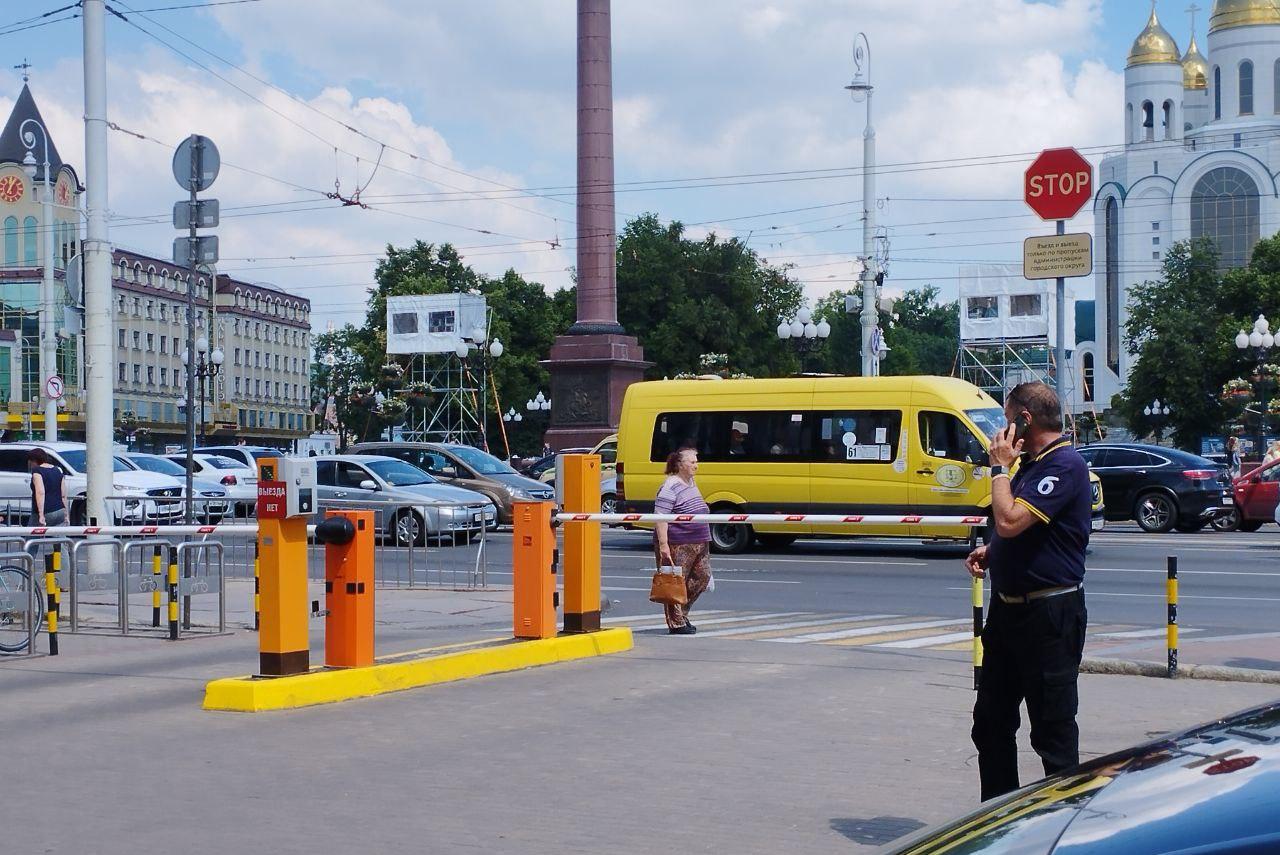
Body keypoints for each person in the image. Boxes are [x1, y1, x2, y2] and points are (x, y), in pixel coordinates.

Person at [965, 382, 1091, 801]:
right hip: (1009, 613)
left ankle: (1061, 827)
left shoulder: (1065, 464)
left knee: (1052, 731)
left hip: (1050, 615)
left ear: (1025, 419)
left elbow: (1011, 521)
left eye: (1006, 418)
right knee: (991, 723)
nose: (1003, 430)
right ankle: (1000, 821)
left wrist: (999, 469)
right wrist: (994, 552)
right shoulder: (1033, 465)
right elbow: (1018, 533)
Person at [653, 447, 712, 635]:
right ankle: (676, 622)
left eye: (696, 461)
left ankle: (683, 612)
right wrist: (664, 546)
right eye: (692, 462)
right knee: (675, 582)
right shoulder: (670, 485)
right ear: (680, 464)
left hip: (699, 539)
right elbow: (660, 517)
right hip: (678, 542)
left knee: (702, 577)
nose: (696, 465)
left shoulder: (691, 482)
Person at [29, 448, 67, 527]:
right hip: (60, 510)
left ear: (33, 460)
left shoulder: (37, 471)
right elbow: (63, 495)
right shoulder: (58, 470)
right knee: (58, 538)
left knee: (32, 537)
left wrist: (41, 514)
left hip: (46, 511)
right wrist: (66, 514)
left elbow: (40, 492)